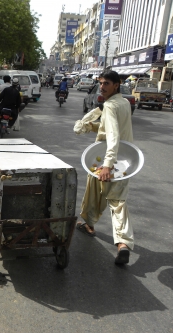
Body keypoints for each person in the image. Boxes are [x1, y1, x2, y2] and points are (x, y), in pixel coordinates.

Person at [74, 70, 134, 265]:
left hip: (107, 159)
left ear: (116, 85)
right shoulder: (123, 102)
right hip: (125, 160)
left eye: (107, 83)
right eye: (101, 83)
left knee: (97, 194)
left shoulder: (109, 105)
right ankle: (123, 242)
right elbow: (111, 127)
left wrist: (107, 165)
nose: (102, 86)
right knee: (116, 201)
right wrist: (94, 125)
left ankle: (90, 226)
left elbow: (114, 135)